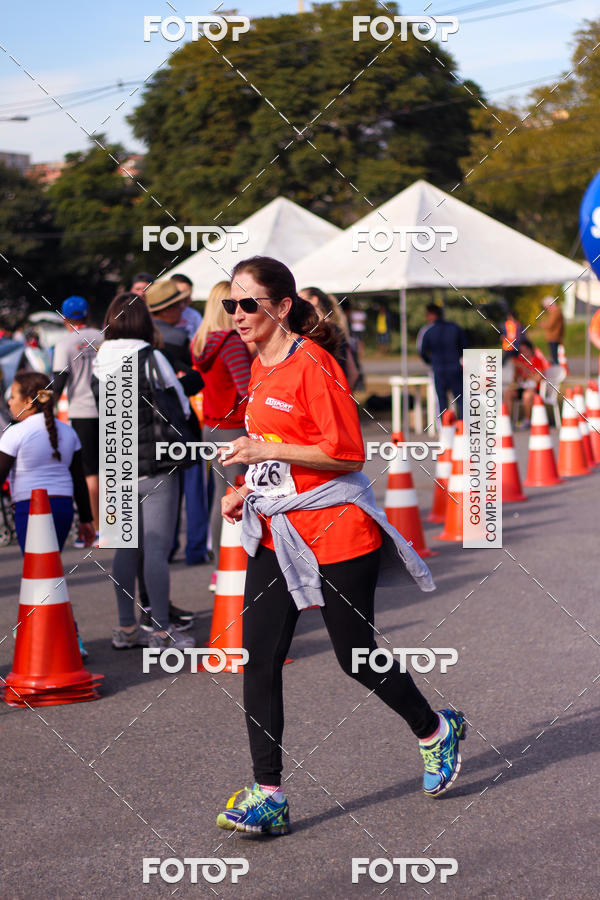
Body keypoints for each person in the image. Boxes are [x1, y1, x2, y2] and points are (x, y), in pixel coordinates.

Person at [214, 256, 467, 836]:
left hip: (336, 529)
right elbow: (279, 442)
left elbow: (348, 453)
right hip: (278, 531)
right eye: (231, 303)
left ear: (281, 306)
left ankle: (434, 729)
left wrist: (263, 454)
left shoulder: (314, 364)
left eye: (248, 303)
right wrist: (247, 487)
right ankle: (268, 792)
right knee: (259, 660)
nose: (237, 314)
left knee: (355, 657)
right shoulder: (259, 365)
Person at [92, 293, 195, 652]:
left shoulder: (98, 360)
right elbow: (180, 403)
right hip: (157, 464)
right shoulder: (151, 357)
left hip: (116, 466)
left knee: (124, 547)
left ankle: (126, 628)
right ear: (142, 322)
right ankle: (162, 632)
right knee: (155, 549)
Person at [0, 372, 95, 656]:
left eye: (13, 396)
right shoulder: (68, 431)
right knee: (49, 571)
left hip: (31, 509)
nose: (9, 401)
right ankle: (53, 631)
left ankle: (59, 634)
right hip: (63, 508)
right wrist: (87, 520)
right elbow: (79, 480)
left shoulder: (16, 432)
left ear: (29, 400)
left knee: (39, 573)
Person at [192, 281, 252, 591]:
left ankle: (221, 567)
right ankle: (232, 566)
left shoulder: (201, 341)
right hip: (234, 426)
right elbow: (247, 389)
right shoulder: (230, 343)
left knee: (221, 496)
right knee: (238, 497)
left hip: (211, 427)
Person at [145, 278, 209, 565]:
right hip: (180, 427)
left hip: (149, 434)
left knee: (163, 496)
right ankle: (195, 548)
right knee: (194, 489)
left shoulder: (144, 339)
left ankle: (166, 547)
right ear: (169, 309)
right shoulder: (174, 338)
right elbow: (192, 379)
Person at [52, 296, 103, 542]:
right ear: (87, 314)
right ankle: (115, 525)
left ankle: (94, 528)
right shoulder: (103, 336)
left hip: (82, 411)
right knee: (111, 468)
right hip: (111, 409)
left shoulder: (65, 344)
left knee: (90, 471)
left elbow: (58, 383)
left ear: (65, 319)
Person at [298, 287, 360, 389]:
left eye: (300, 297)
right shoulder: (338, 329)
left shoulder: (318, 331)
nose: (297, 302)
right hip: (336, 391)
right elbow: (353, 373)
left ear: (314, 300)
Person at [419, 304, 466, 421]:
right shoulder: (455, 327)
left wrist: (430, 361)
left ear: (431, 315)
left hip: (439, 369)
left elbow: (422, 351)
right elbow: (464, 346)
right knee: (460, 398)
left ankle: (445, 428)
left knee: (441, 400)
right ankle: (463, 426)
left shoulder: (428, 330)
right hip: (455, 367)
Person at [504, 339, 550, 427]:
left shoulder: (537, 360)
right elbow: (516, 380)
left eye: (525, 351)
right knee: (508, 393)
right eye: (521, 351)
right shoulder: (520, 360)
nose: (523, 353)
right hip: (522, 387)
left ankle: (527, 420)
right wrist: (516, 371)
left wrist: (525, 369)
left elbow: (538, 378)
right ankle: (507, 421)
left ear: (530, 350)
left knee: (527, 395)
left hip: (535, 389)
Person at [171, 273, 203, 342]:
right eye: (183, 294)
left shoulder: (194, 315)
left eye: (189, 294)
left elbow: (201, 340)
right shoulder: (159, 314)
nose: (188, 299)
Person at [540, 296, 564, 366]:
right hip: (554, 336)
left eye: (546, 306)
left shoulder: (555, 312)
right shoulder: (556, 312)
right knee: (554, 356)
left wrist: (543, 324)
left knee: (555, 357)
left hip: (554, 337)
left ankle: (557, 370)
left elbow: (550, 325)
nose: (547, 309)